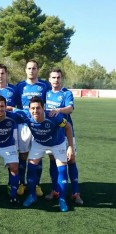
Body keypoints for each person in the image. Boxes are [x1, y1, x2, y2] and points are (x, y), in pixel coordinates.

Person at [15, 96, 74, 212]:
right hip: (39, 143)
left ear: (43, 108)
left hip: (57, 143)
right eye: (32, 108)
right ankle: (32, 195)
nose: (35, 111)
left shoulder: (54, 117)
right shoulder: (26, 115)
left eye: (38, 108)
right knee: (31, 168)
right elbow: (11, 109)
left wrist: (70, 147)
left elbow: (68, 127)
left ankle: (62, 199)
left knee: (61, 170)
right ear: (29, 109)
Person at [44, 68, 83, 205]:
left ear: (61, 79)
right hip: (52, 134)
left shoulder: (66, 93)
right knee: (53, 160)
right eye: (53, 77)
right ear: (49, 79)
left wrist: (58, 110)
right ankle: (55, 190)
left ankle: (75, 193)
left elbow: (70, 109)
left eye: (58, 77)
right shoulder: (47, 93)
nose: (56, 80)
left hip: (66, 132)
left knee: (71, 160)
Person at [14, 59, 51, 197]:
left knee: (38, 156)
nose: (31, 71)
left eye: (34, 68)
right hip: (23, 125)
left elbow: (48, 104)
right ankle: (21, 183)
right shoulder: (19, 86)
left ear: (38, 70)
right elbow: (16, 105)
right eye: (29, 68)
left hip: (39, 125)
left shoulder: (44, 85)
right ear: (25, 70)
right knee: (23, 155)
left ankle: (36, 184)